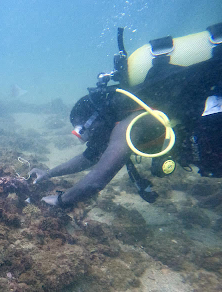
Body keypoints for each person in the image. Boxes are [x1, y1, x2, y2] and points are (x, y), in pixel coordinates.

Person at [30, 23, 222, 207]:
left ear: (94, 119)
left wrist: (61, 201)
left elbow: (96, 181)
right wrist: (48, 174)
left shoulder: (127, 125)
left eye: (83, 130)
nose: (86, 137)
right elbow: (88, 158)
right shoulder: (129, 111)